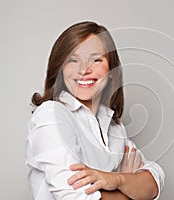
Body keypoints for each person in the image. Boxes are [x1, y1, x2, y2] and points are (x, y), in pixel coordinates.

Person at [26, 21, 165, 200]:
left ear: (112, 70)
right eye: (73, 60)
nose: (84, 69)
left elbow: (155, 181)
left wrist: (117, 180)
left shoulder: (115, 127)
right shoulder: (51, 114)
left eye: (96, 59)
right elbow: (75, 197)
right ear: (60, 69)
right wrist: (130, 189)